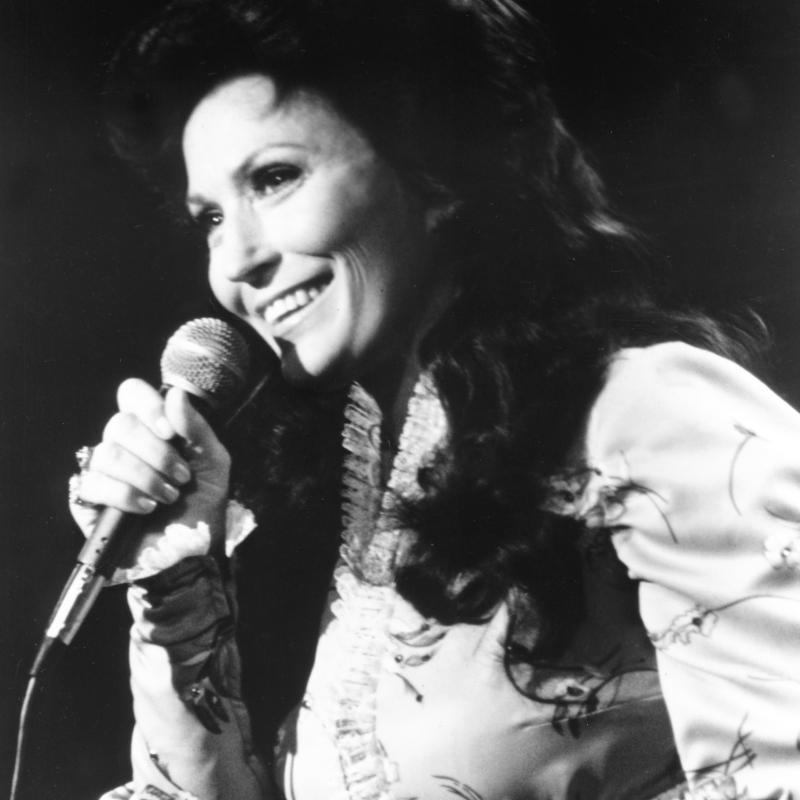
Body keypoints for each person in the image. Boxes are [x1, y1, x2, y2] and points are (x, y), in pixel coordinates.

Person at [68, 0, 800, 798]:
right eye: (210, 217)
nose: (235, 260)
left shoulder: (643, 412)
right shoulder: (331, 489)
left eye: (274, 179)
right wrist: (178, 587)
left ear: (434, 170)